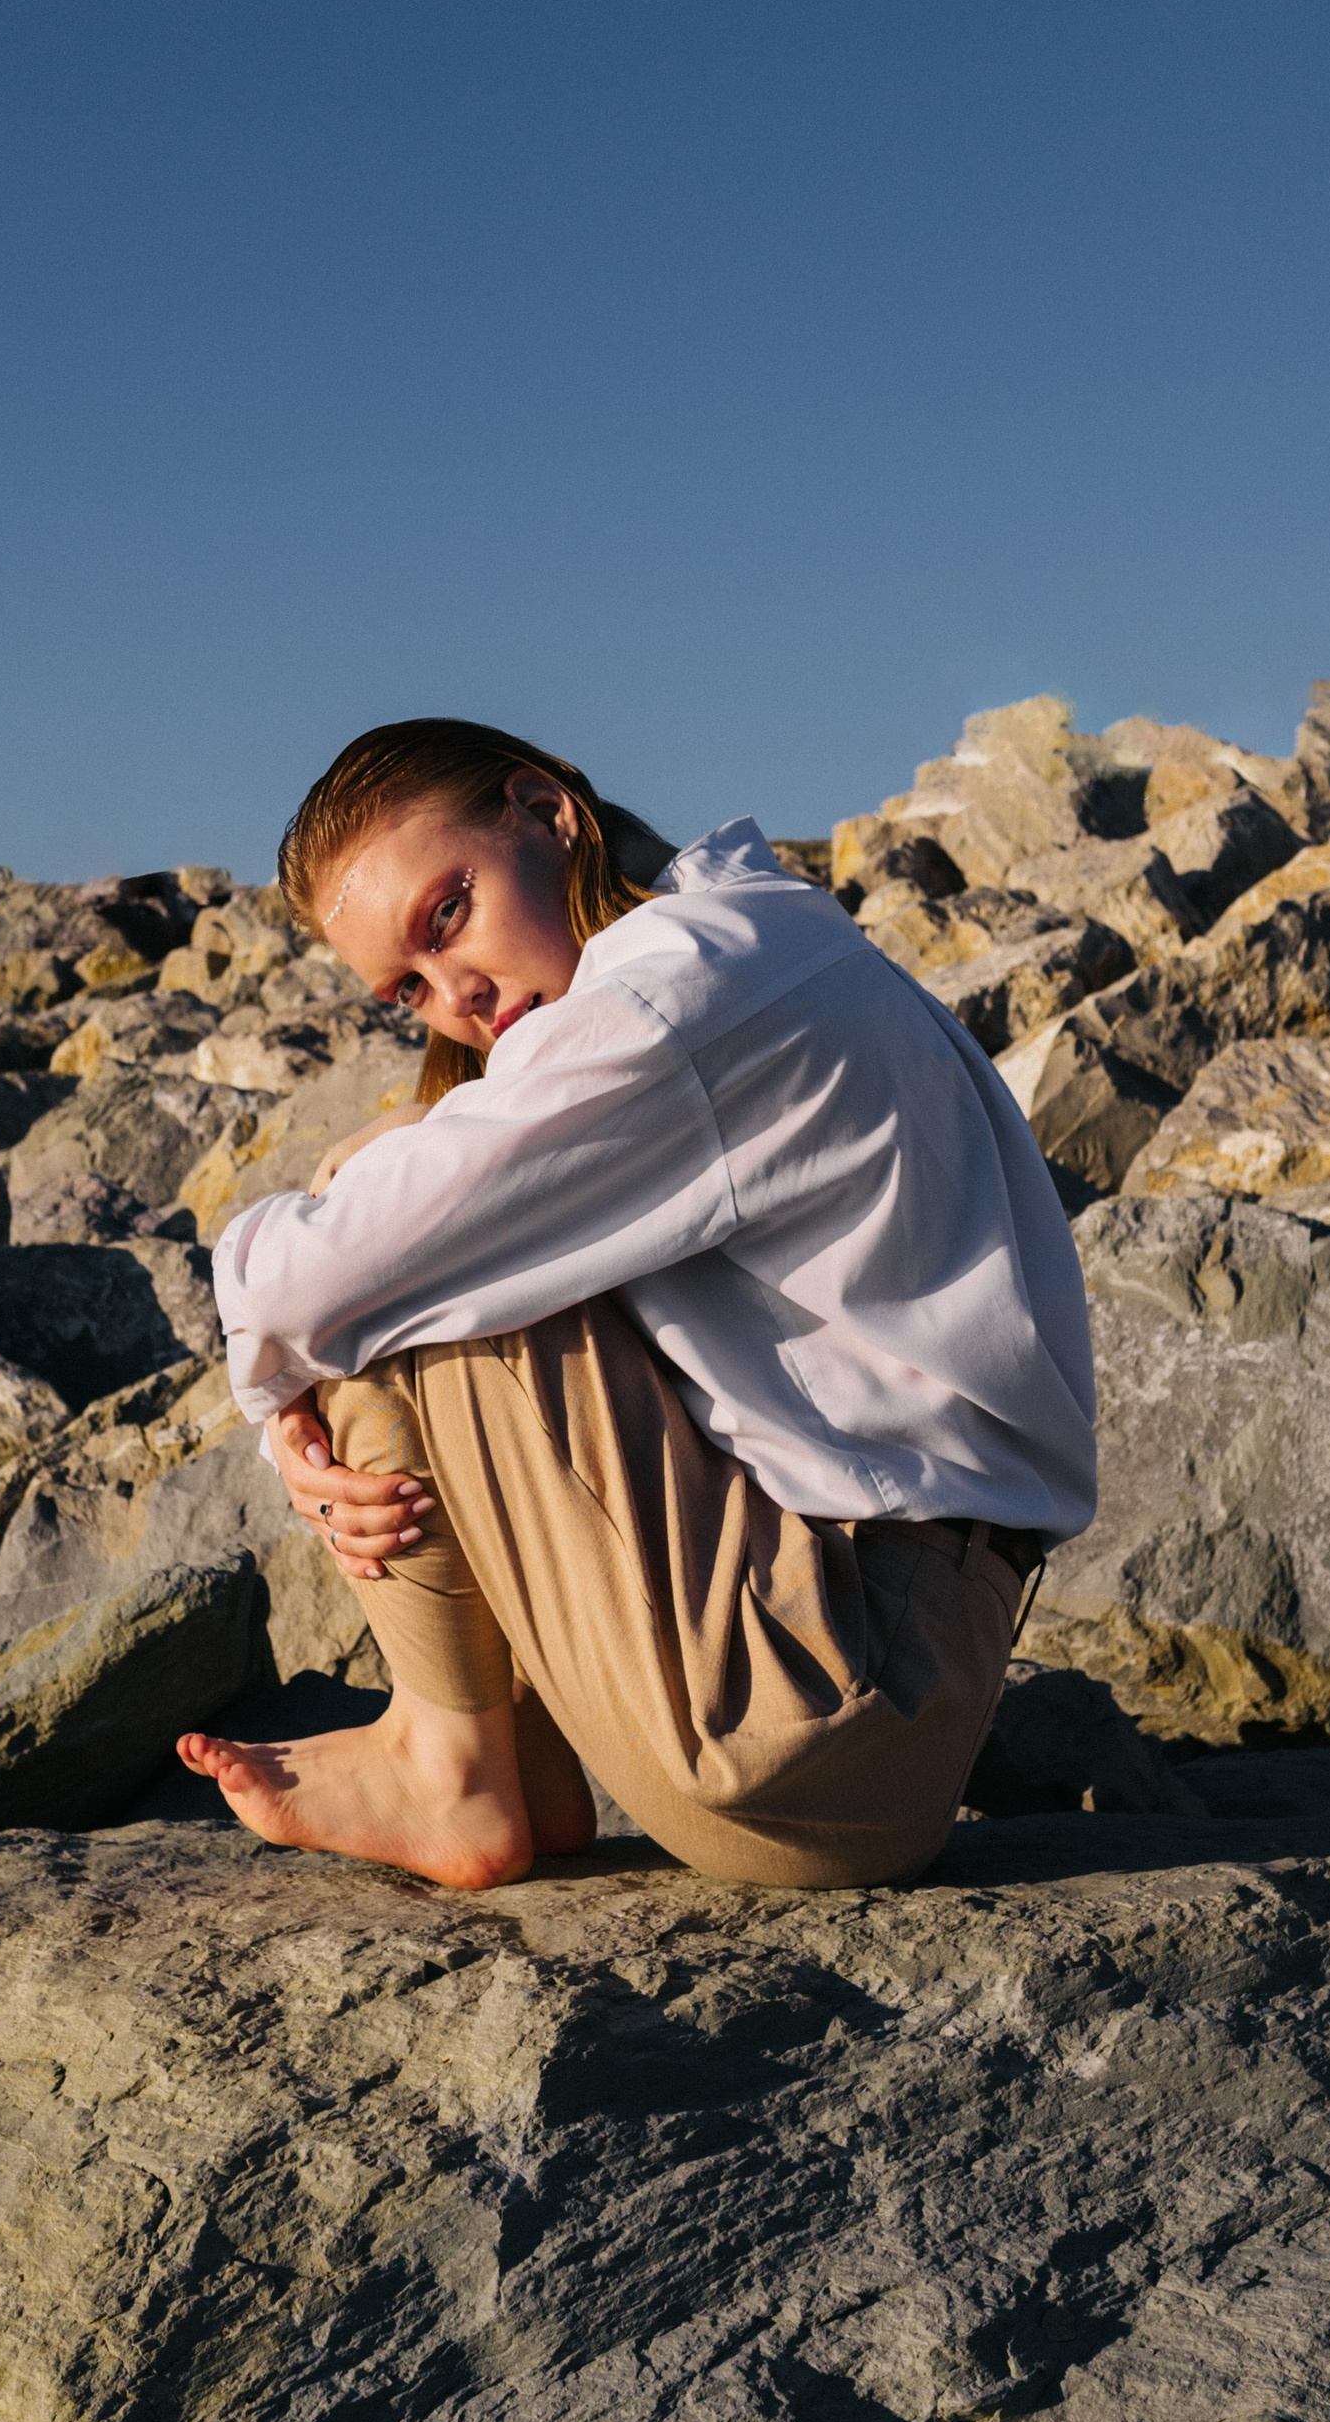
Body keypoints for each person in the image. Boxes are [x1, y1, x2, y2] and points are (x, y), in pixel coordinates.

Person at [178, 718, 1097, 1893]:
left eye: (447, 912)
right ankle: (516, 1759)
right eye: (406, 986)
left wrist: (286, 1413)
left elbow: (310, 1278)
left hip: (823, 1702)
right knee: (420, 1219)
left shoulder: (686, 990)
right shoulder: (753, 941)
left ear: (547, 813)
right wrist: (299, 1404)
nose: (454, 994)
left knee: (400, 1245)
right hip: (854, 1689)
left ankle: (448, 1761)